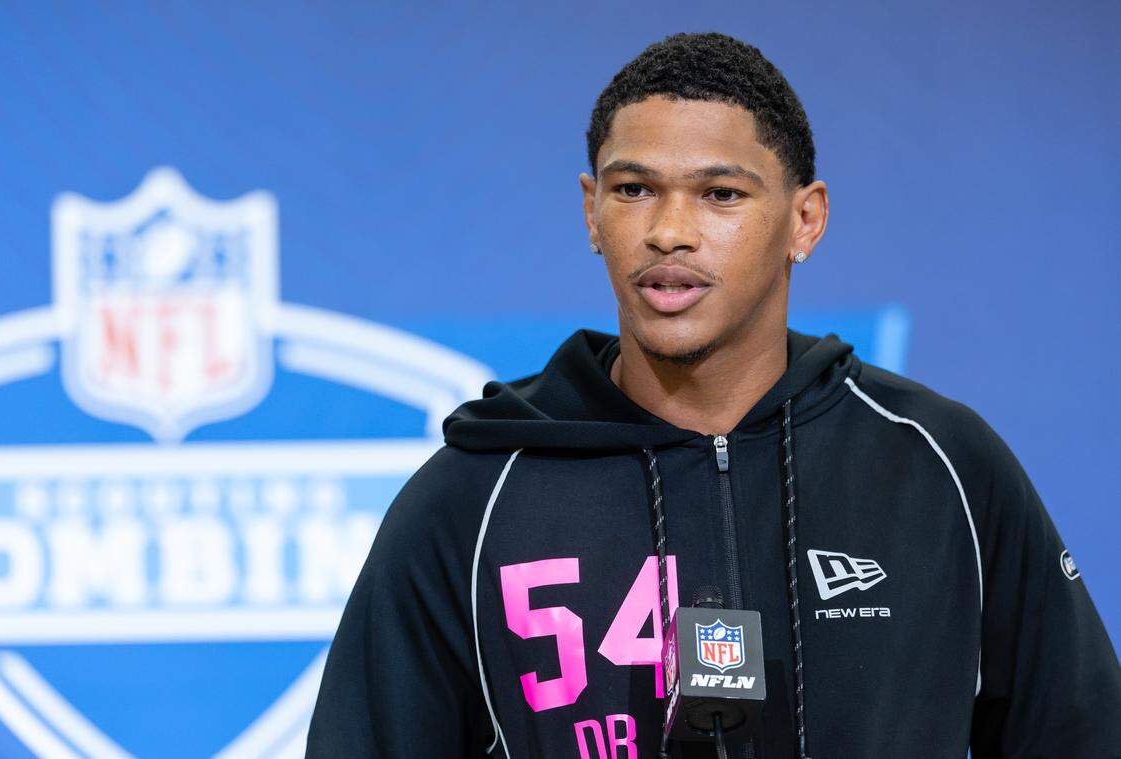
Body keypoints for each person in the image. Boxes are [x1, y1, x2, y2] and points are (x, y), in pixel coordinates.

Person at [305, 31, 1121, 758]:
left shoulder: (940, 467)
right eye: (633, 190)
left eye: (721, 194)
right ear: (590, 212)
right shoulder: (470, 497)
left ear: (806, 219)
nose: (669, 231)